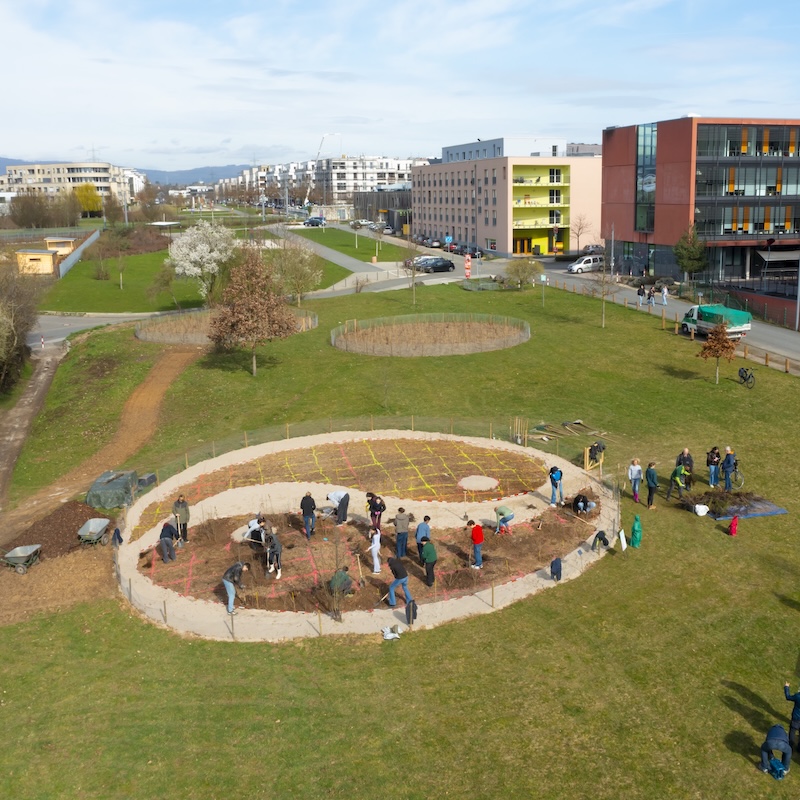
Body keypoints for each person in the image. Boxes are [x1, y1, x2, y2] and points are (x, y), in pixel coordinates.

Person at [785, 682, 800, 750]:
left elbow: (788, 697)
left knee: (792, 732)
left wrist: (786, 687)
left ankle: (790, 747)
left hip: (796, 717)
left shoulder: (798, 696)